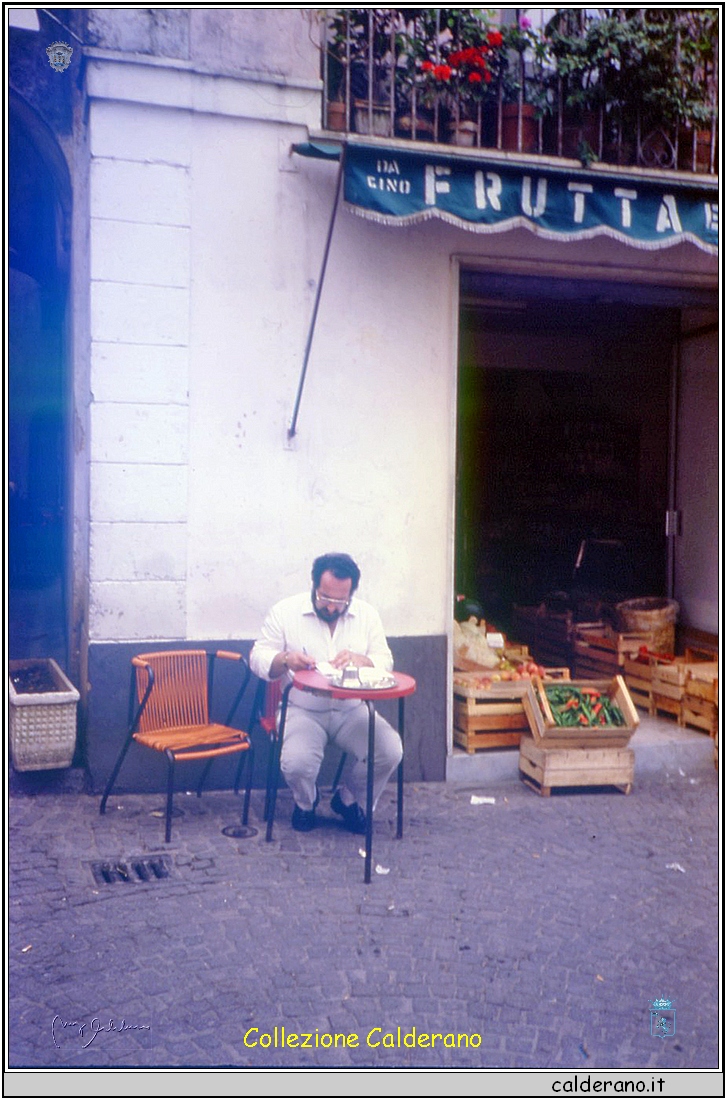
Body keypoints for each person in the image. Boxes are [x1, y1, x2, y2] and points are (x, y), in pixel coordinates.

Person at [249, 553, 403, 834]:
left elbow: (386, 662)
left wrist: (363, 660)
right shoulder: (285, 611)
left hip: (352, 709)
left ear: (351, 594)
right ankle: (305, 803)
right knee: (296, 763)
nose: (331, 607)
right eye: (324, 598)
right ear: (313, 585)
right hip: (302, 709)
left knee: (390, 750)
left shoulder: (367, 615)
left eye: (340, 601)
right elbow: (257, 658)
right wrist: (285, 659)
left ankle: (348, 801)